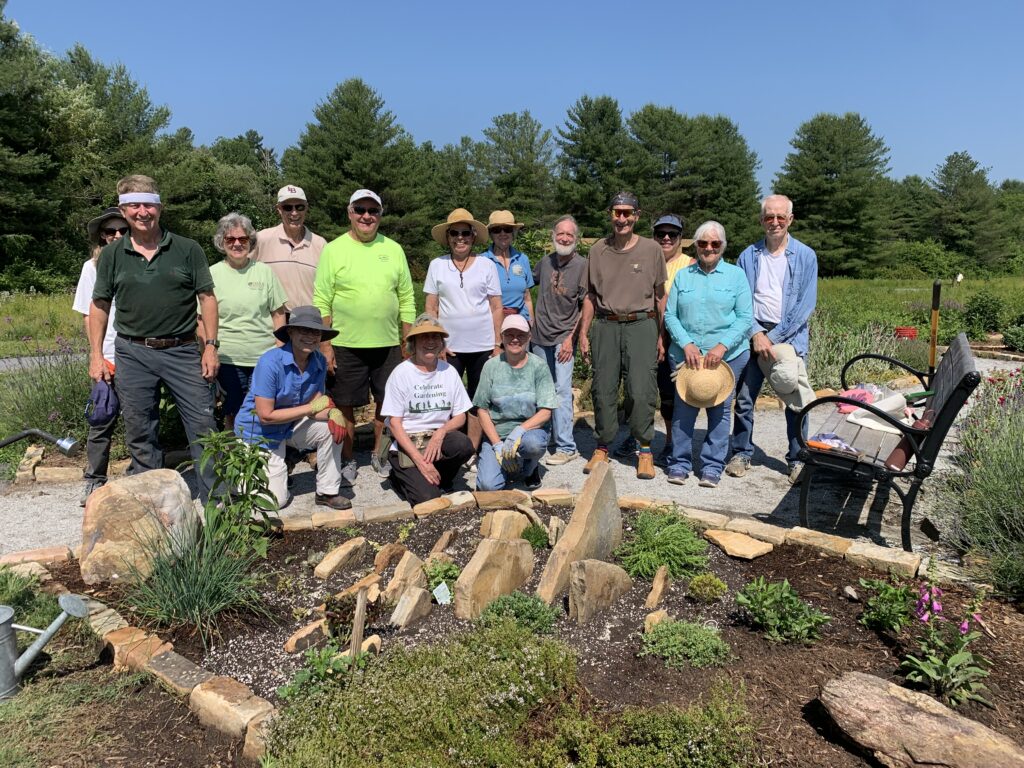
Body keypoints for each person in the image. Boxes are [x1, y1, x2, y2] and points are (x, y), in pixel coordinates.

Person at [89, 175, 219, 499]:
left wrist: (211, 347)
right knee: (140, 431)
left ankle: (219, 506)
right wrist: (95, 355)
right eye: (134, 205)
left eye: (148, 204)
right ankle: (156, 505)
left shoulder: (187, 249)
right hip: (133, 353)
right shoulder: (112, 255)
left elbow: (207, 298)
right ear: (123, 210)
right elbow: (100, 305)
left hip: (183, 349)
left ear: (159, 207)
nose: (142, 212)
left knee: (204, 427)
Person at [313, 189, 416, 485]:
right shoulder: (334, 250)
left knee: (389, 403)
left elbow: (407, 297)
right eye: (360, 209)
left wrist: (408, 341)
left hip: (387, 344)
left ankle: (379, 454)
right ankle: (346, 459)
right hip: (345, 344)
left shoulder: (394, 249)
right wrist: (325, 344)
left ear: (381, 215)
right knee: (343, 405)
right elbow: (322, 300)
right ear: (350, 213)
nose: (366, 216)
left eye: (373, 211)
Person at [727, 194, 818, 484]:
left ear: (790, 220)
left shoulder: (805, 256)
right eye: (769, 217)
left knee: (794, 399)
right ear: (761, 220)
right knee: (744, 400)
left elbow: (805, 305)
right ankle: (742, 452)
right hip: (752, 334)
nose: (775, 222)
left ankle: (797, 458)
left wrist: (773, 339)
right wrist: (756, 333)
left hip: (787, 336)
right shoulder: (747, 256)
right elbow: (740, 301)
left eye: (781, 217)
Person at [578, 192, 666, 480]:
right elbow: (590, 296)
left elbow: (660, 296)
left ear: (637, 216)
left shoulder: (652, 249)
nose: (622, 218)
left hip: (642, 324)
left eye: (628, 213)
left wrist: (662, 335)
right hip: (606, 324)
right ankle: (602, 446)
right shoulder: (598, 250)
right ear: (610, 215)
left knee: (641, 391)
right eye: (617, 213)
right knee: (603, 389)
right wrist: (583, 333)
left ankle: (644, 450)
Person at [664, 221, 752, 487]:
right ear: (696, 245)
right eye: (703, 243)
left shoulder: (736, 276)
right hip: (687, 353)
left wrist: (722, 346)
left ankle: (712, 466)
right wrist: (687, 343)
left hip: (727, 354)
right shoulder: (683, 276)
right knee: (683, 408)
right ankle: (679, 463)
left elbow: (746, 317)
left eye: (715, 244)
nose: (709, 248)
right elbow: (670, 315)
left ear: (723, 246)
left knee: (720, 409)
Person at [234, 307, 350, 510]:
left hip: (289, 426)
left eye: (315, 331)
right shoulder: (270, 362)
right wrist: (311, 408)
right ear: (290, 332)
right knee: (273, 502)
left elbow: (316, 404)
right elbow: (265, 416)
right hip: (258, 434)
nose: (310, 336)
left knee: (331, 429)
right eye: (303, 330)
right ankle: (263, 470)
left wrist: (333, 412)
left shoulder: (319, 361)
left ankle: (327, 491)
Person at [424, 208, 503, 454]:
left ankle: (474, 449)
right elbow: (431, 306)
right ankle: (453, 448)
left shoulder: (486, 265)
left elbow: (496, 306)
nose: (460, 238)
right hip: (450, 347)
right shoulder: (437, 265)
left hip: (482, 345)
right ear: (447, 237)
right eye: (455, 233)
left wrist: (497, 343)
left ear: (473, 236)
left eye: (465, 233)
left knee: (479, 400)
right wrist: (436, 343)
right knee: (449, 401)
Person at [379, 314, 475, 506]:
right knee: (428, 500)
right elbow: (395, 424)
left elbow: (460, 416)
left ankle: (442, 478)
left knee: (463, 445)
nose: (430, 342)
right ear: (413, 343)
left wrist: (441, 432)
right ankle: (399, 479)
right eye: (424, 337)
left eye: (435, 337)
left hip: (435, 440)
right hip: (406, 443)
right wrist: (420, 461)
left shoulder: (448, 371)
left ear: (442, 343)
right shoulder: (401, 374)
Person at [206, 212, 287, 431]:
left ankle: (264, 454)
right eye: (230, 239)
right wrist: (207, 350)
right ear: (222, 243)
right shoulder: (211, 274)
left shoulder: (264, 272)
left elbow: (279, 314)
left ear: (250, 241)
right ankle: (236, 458)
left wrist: (280, 350)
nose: (237, 244)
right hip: (228, 357)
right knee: (233, 410)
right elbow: (200, 318)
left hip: (264, 356)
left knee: (264, 408)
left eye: (242, 239)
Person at [73, 207, 129, 505]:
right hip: (107, 354)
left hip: (136, 355)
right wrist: (95, 356)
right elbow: (87, 314)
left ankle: (139, 477)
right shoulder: (91, 268)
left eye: (123, 230)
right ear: (102, 237)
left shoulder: (138, 262)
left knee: (140, 419)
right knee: (101, 419)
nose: (117, 235)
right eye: (111, 231)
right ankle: (95, 480)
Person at [474, 315, 557, 491]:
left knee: (533, 445)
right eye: (509, 334)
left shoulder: (539, 366)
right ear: (502, 337)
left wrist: (519, 431)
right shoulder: (491, 366)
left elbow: (546, 411)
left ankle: (530, 466)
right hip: (498, 432)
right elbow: (482, 409)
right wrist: (497, 444)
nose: (515, 339)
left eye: (520, 335)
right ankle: (505, 462)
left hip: (529, 432)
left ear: (529, 337)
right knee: (488, 486)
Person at [531, 215, 587, 466]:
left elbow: (587, 304)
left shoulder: (583, 266)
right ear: (553, 236)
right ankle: (549, 437)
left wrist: (571, 338)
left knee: (562, 391)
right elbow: (523, 286)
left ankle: (567, 446)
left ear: (576, 239)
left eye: (569, 235)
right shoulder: (544, 262)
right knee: (543, 391)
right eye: (560, 234)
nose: (564, 238)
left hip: (564, 338)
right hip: (539, 337)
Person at [653, 214, 695, 467]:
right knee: (647, 391)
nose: (666, 238)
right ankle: (643, 439)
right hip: (647, 332)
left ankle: (673, 442)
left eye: (673, 234)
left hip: (675, 338)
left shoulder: (689, 264)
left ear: (681, 238)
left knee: (674, 394)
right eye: (661, 234)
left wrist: (666, 337)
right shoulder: (647, 259)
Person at [252, 185, 327, 312]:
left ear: (306, 208)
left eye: (300, 207)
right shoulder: (261, 239)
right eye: (287, 207)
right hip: (271, 321)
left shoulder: (320, 244)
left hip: (308, 323)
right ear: (279, 209)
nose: (294, 213)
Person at [482, 210, 534, 321]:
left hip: (520, 321)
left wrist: (531, 323)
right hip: (492, 321)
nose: (502, 234)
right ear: (491, 234)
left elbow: (527, 298)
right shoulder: (482, 261)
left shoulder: (522, 259)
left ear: (513, 233)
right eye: (497, 230)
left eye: (507, 229)